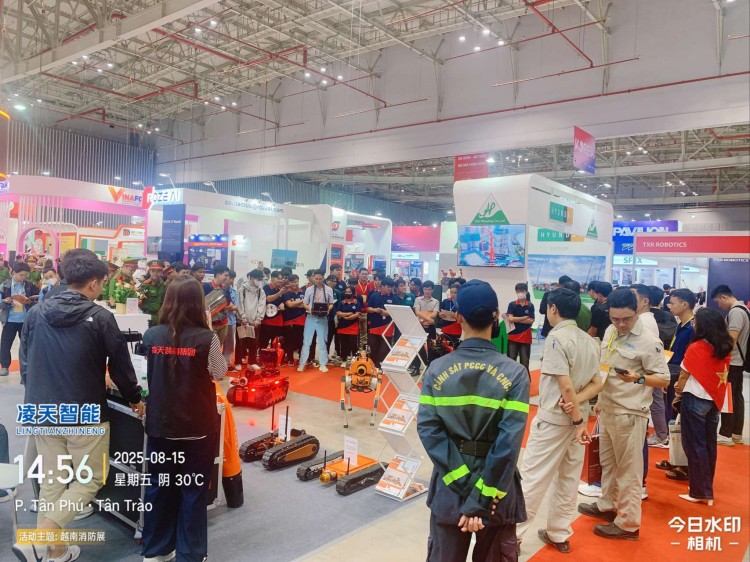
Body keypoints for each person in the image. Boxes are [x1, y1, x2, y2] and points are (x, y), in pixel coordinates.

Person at [16, 248, 143, 562]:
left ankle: (54, 551)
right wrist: (134, 398)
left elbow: (26, 361)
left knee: (53, 481)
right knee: (89, 480)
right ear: (93, 283)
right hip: (84, 412)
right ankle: (42, 537)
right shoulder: (100, 318)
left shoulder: (36, 313)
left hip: (43, 410)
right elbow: (121, 367)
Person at [417, 280, 529, 561]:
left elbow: (429, 432)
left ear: (458, 317)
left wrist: (466, 489)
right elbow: (508, 443)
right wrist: (482, 497)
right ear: (496, 316)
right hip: (496, 492)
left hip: (450, 487)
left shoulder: (436, 370)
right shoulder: (515, 374)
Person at [141, 277, 227, 562]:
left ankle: (156, 550)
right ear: (199, 304)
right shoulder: (207, 339)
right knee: (193, 489)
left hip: (160, 424)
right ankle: (190, 554)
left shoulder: (152, 335)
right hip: (197, 426)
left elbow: (147, 372)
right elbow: (219, 372)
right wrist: (209, 329)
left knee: (159, 486)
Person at [578, 288, 669, 540]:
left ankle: (628, 523)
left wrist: (638, 378)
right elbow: (605, 366)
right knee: (608, 463)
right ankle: (607, 504)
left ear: (637, 311)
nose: (620, 324)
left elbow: (664, 379)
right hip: (608, 407)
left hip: (630, 412)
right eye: (615, 318)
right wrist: (599, 399)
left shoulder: (649, 341)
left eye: (626, 319)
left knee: (629, 470)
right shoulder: (610, 331)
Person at [518, 288, 603, 554]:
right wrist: (578, 407)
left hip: (557, 420)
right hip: (579, 419)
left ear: (553, 308)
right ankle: (559, 532)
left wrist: (575, 413)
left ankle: (514, 535)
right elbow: (597, 383)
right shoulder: (589, 340)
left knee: (533, 478)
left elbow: (565, 386)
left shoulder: (557, 338)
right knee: (568, 478)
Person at [672, 307, 732, 506]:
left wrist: (677, 393)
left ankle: (699, 491)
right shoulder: (725, 347)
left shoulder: (696, 347)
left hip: (695, 397)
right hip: (714, 399)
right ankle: (706, 488)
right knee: (708, 444)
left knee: (694, 444)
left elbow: (684, 375)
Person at [657, 289, 697, 457]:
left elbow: (691, 357)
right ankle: (674, 453)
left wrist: (681, 379)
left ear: (685, 304)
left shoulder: (693, 328)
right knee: (670, 411)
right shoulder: (680, 325)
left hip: (681, 374)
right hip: (672, 370)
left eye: (672, 303)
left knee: (677, 413)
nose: (669, 306)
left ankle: (679, 455)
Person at [711, 284, 748, 446]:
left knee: (729, 398)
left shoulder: (736, 312)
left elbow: (731, 340)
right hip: (737, 362)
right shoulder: (744, 309)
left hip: (732, 362)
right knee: (736, 397)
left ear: (723, 297)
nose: (719, 305)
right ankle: (735, 433)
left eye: (718, 302)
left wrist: (719, 356)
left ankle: (726, 434)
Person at [0, 262, 39, 377]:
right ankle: (5, 366)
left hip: (25, 320)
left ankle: (26, 368)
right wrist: (5, 301)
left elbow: (38, 298)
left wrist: (30, 301)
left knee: (26, 345)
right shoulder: (4, 285)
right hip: (9, 320)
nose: (23, 277)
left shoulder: (29, 285)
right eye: (21, 275)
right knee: (5, 344)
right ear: (13, 273)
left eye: (25, 275)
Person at [298, 270, 334, 373]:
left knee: (322, 341)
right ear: (314, 278)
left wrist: (328, 309)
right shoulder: (309, 289)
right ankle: (302, 363)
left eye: (320, 279)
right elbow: (305, 303)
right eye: (316, 279)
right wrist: (310, 309)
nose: (318, 281)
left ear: (323, 278)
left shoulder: (329, 290)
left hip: (323, 317)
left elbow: (331, 303)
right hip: (311, 317)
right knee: (307, 341)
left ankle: (323, 364)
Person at [237, 269, 266, 366]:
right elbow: (239, 304)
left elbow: (262, 305)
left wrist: (258, 319)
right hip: (243, 320)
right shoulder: (242, 289)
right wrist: (243, 317)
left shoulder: (261, 291)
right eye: (258, 279)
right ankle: (239, 361)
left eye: (261, 279)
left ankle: (252, 361)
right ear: (252, 278)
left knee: (254, 343)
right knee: (241, 342)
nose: (260, 281)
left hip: (255, 321)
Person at [505, 283, 535, 373]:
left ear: (526, 292)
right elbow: (510, 319)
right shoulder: (512, 304)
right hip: (513, 337)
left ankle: (524, 380)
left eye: (522, 291)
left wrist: (516, 319)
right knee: (511, 361)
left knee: (525, 363)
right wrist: (524, 317)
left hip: (525, 337)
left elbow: (531, 321)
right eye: (518, 291)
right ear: (516, 292)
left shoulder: (530, 305)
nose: (520, 293)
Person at [367, 278, 396, 366]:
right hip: (374, 327)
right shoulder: (374, 296)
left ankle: (381, 367)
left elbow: (396, 312)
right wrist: (375, 310)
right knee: (373, 349)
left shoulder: (394, 298)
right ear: (382, 286)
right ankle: (372, 367)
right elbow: (367, 308)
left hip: (387, 328)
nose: (390, 289)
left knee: (384, 351)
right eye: (388, 287)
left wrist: (387, 313)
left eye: (391, 287)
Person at [202, 264, 231, 347]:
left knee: (219, 347)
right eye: (225, 275)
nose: (227, 278)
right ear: (218, 274)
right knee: (210, 348)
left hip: (223, 323)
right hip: (210, 324)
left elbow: (229, 304)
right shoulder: (205, 287)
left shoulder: (225, 289)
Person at [281, 275, 306, 365]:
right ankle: (290, 359)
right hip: (289, 321)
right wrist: (302, 301)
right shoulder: (286, 293)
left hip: (302, 321)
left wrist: (295, 303)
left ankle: (301, 359)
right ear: (289, 283)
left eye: (296, 281)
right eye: (292, 282)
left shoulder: (303, 293)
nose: (295, 284)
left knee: (301, 341)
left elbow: (306, 305)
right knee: (289, 341)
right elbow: (289, 305)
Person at [259, 271, 286, 349]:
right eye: (278, 278)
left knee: (276, 345)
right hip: (267, 321)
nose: (280, 280)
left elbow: (285, 302)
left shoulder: (282, 289)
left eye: (281, 279)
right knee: (263, 343)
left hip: (278, 321)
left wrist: (283, 304)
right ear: (272, 278)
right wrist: (280, 293)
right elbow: (268, 299)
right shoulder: (266, 287)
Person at [335, 287, 362, 360]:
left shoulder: (356, 303)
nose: (347, 293)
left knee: (353, 345)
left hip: (353, 326)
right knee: (343, 344)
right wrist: (348, 314)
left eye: (349, 292)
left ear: (353, 293)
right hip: (342, 326)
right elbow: (338, 313)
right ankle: (343, 359)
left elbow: (357, 314)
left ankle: (355, 360)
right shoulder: (341, 302)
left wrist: (348, 318)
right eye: (346, 292)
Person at [138, 260, 167, 326]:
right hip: (147, 318)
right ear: (149, 272)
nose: (155, 273)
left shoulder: (165, 286)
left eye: (158, 271)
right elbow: (139, 302)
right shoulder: (145, 286)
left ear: (161, 272)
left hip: (161, 318)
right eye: (153, 271)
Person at [223, 270, 240, 370]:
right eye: (230, 278)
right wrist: (228, 307)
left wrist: (228, 307)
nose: (231, 280)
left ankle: (226, 364)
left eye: (233, 278)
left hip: (231, 321)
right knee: (217, 343)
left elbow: (236, 306)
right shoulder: (219, 290)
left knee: (229, 344)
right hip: (219, 321)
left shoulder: (234, 291)